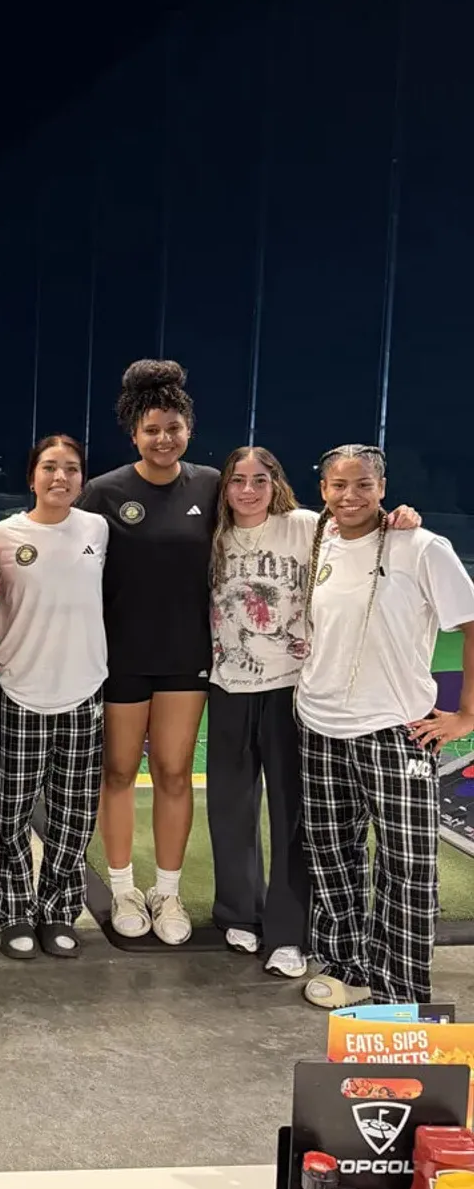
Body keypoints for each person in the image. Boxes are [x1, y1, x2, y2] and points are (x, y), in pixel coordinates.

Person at [209, 447, 420, 979]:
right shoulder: (212, 534)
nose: (249, 490)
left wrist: (400, 518)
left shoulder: (308, 525)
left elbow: (363, 527)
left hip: (292, 690)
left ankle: (286, 933)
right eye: (238, 480)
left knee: (290, 814)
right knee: (230, 808)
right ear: (225, 487)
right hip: (228, 685)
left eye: (260, 479)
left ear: (277, 482)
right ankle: (239, 912)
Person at [296, 444, 474, 1008]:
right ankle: (346, 965)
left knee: (408, 864)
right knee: (332, 852)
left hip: (397, 729)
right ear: (322, 490)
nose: (350, 496)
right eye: (338, 485)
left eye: (363, 484)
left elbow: (471, 624)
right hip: (318, 723)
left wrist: (468, 715)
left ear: (382, 486)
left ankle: (400, 988)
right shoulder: (317, 541)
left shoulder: (420, 546)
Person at [79, 359, 217, 944]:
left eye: (174, 428)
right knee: (116, 771)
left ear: (189, 429)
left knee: (173, 772)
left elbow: (288, 523)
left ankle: (167, 892)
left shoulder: (212, 485)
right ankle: (122, 888)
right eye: (152, 429)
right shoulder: (104, 492)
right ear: (134, 433)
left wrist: (392, 519)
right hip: (119, 659)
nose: (164, 439)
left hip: (185, 657)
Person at [0, 434, 107, 961]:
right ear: (32, 476)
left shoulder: (97, 529)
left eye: (72, 469)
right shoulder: (1, 537)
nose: (61, 478)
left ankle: (58, 911)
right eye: (50, 468)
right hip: (20, 692)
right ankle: (13, 912)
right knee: (11, 816)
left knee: (74, 814)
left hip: (84, 692)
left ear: (82, 478)